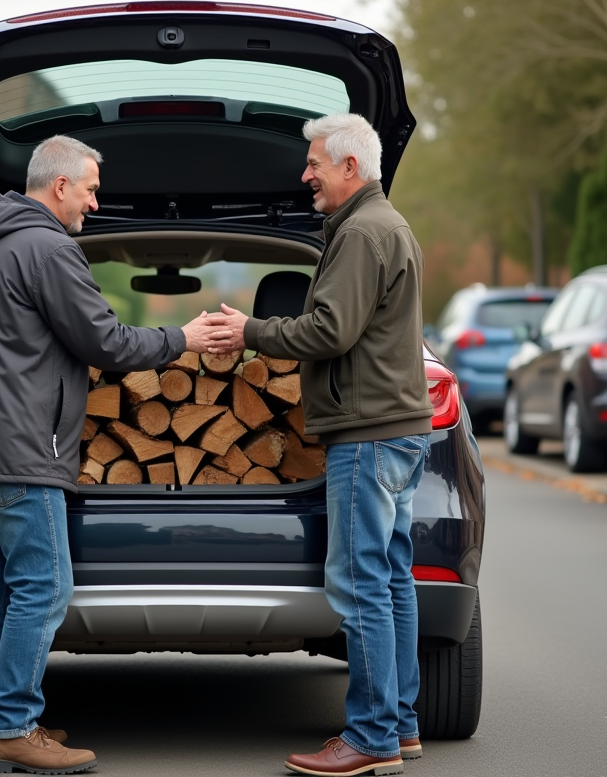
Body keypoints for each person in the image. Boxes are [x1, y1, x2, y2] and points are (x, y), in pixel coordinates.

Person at [0, 135, 231, 774]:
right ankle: (13, 726)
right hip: (20, 450)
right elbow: (106, 341)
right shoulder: (48, 248)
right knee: (43, 586)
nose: (96, 203)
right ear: (60, 184)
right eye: (91, 189)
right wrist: (184, 336)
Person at [208, 113, 433, 777]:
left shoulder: (363, 232)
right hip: (397, 431)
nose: (304, 173)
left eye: (314, 163)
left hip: (367, 436)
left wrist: (250, 330)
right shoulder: (382, 225)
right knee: (391, 580)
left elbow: (330, 330)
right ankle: (400, 723)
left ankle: (369, 738)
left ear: (350, 168)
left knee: (361, 584)